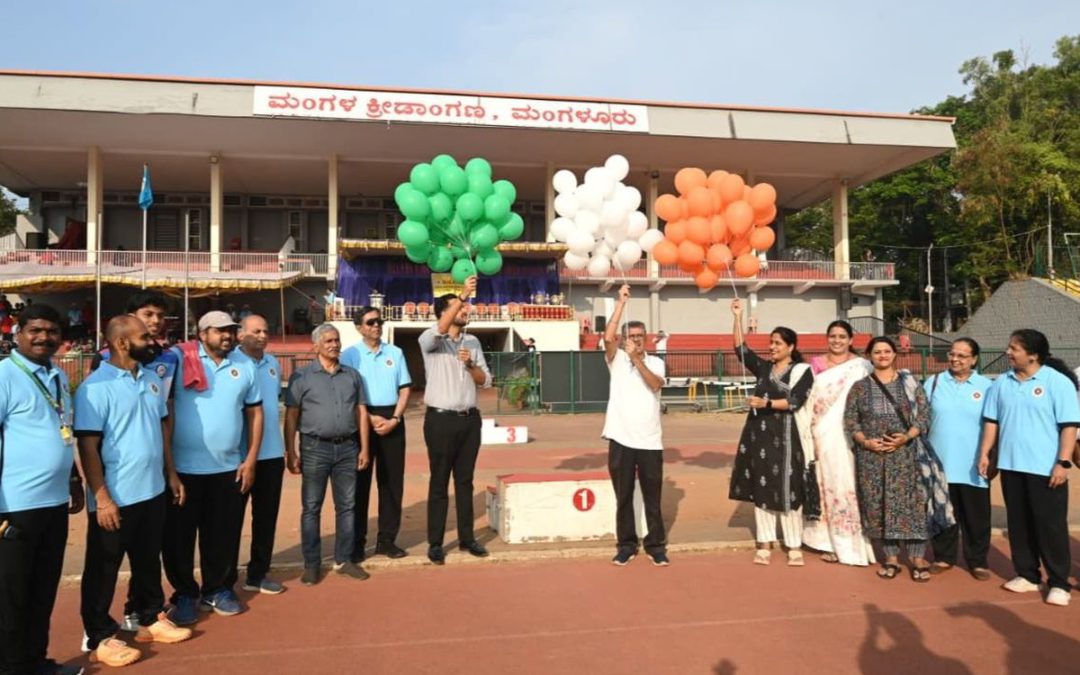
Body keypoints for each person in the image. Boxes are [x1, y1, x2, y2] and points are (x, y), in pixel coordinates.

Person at [74, 316, 192, 668]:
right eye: (143, 336)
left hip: (152, 489)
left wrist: (171, 474)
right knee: (103, 568)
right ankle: (99, 636)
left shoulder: (152, 381)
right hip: (116, 497)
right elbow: (88, 447)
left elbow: (160, 431)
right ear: (122, 343)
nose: (151, 340)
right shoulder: (95, 388)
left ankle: (149, 617)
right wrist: (103, 497)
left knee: (147, 559)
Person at [162, 311, 263, 624]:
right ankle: (185, 594)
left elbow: (255, 414)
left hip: (228, 468)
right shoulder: (180, 361)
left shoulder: (245, 364)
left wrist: (250, 460)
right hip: (184, 470)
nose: (228, 336)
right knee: (178, 539)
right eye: (220, 331)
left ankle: (218, 589)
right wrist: (170, 469)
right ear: (202, 333)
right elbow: (165, 413)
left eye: (231, 331)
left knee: (223, 535)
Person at [0, 303, 86, 675]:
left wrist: (74, 481)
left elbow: (61, 433)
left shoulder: (57, 376)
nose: (43, 337)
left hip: (52, 503)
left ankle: (36, 662)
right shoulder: (5, 375)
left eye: (51, 331)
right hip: (13, 505)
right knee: (11, 596)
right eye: (35, 330)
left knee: (41, 590)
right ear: (17, 333)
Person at [978, 329, 1080, 606]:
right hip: (1011, 466)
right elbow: (991, 421)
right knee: (1019, 523)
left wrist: (1062, 462)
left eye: (1014, 348)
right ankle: (1028, 574)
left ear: (1033, 355)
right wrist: (986, 452)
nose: (1008, 352)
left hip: (1046, 468)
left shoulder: (1057, 383)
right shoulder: (1002, 383)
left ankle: (1059, 582)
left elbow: (1069, 426)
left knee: (1051, 526)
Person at [844, 336, 952, 582]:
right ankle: (891, 557)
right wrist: (865, 441)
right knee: (878, 504)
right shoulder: (859, 387)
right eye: (877, 352)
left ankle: (917, 557)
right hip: (872, 457)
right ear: (869, 356)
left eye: (887, 351)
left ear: (895, 354)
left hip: (906, 454)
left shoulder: (910, 383)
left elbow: (924, 415)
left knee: (912, 505)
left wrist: (906, 437)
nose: (882, 355)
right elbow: (851, 420)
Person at [728, 298, 813, 566]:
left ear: (791, 347)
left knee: (789, 487)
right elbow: (740, 350)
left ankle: (793, 544)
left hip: (787, 436)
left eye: (778, 343)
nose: (772, 347)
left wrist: (766, 403)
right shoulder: (764, 368)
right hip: (758, 434)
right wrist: (737, 316)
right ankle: (764, 542)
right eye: (771, 342)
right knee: (762, 487)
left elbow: (795, 401)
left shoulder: (801, 371)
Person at [285, 323, 371, 585]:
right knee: (311, 507)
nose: (334, 345)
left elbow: (361, 412)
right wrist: (291, 451)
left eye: (336, 340)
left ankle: (344, 559)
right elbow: (291, 416)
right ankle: (311, 564)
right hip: (314, 448)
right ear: (316, 346)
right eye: (328, 341)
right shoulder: (302, 377)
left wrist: (365, 447)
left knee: (347, 506)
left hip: (348, 448)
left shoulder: (353, 376)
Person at [419, 276, 493, 565]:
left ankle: (467, 539)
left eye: (465, 307)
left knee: (465, 482)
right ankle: (436, 543)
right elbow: (439, 328)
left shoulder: (472, 342)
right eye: (459, 308)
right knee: (439, 482)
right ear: (443, 313)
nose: (465, 311)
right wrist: (462, 294)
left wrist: (471, 364)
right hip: (440, 421)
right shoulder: (430, 340)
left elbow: (486, 381)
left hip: (469, 421)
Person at [602, 284, 668, 566]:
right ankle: (626, 544)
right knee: (624, 496)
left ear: (647, 339)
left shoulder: (655, 362)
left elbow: (655, 384)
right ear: (625, 339)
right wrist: (620, 303)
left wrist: (637, 359)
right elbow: (607, 337)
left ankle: (656, 545)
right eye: (631, 337)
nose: (636, 341)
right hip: (621, 438)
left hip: (650, 440)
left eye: (640, 337)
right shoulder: (615, 360)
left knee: (653, 497)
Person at [801, 320, 876, 566]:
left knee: (849, 484)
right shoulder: (816, 365)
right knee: (825, 484)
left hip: (851, 435)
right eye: (832, 336)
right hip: (822, 433)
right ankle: (826, 542)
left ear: (851, 340)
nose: (837, 340)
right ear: (827, 338)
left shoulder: (862, 366)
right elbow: (810, 400)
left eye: (842, 336)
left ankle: (853, 542)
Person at [341, 307, 412, 561]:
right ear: (359, 327)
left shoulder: (395, 352)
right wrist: (368, 418)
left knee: (392, 483)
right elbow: (346, 394)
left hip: (392, 418)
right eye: (370, 322)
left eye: (379, 321)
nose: (376, 326)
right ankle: (357, 543)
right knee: (360, 484)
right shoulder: (349, 355)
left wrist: (395, 418)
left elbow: (405, 389)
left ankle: (387, 540)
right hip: (362, 418)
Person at [924, 338, 993, 580]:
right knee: (943, 513)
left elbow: (994, 424)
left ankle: (978, 561)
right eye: (952, 354)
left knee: (977, 516)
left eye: (962, 356)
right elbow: (921, 419)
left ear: (974, 359)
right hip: (939, 463)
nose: (955, 359)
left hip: (974, 465)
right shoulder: (933, 383)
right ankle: (943, 557)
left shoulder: (987, 387)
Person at [230, 314, 287, 594]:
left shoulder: (273, 363)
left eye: (266, 330)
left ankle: (258, 574)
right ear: (240, 335)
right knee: (230, 521)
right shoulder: (230, 363)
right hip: (238, 457)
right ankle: (224, 580)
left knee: (265, 518)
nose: (263, 336)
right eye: (256, 331)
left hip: (272, 455)